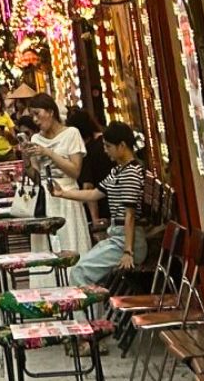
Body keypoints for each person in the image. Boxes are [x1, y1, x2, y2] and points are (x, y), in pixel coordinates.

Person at [51, 122, 147, 286]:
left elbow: (129, 215)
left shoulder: (130, 173)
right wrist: (63, 193)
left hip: (126, 241)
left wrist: (128, 251)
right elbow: (95, 194)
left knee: (79, 273)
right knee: (80, 269)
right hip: (118, 236)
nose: (105, 150)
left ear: (122, 146)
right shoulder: (118, 170)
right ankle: (93, 310)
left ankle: (91, 312)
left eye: (108, 146)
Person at [19, 94, 90, 256]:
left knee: (70, 240)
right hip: (45, 197)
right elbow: (36, 177)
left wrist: (48, 153)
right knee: (47, 246)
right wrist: (26, 158)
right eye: (32, 116)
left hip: (68, 194)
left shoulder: (72, 133)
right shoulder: (36, 138)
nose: (35, 120)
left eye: (38, 114)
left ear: (50, 112)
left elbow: (75, 171)